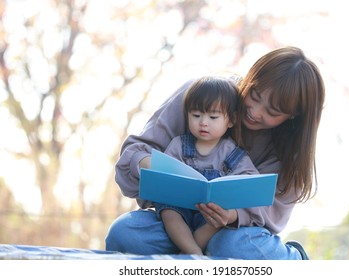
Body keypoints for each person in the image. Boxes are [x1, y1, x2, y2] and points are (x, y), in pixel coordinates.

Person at [106, 46, 325, 259]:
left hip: (229, 233)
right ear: (250, 78)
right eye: (255, 95)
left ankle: (294, 260)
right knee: (125, 233)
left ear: (293, 116)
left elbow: (271, 213)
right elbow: (134, 152)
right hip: (174, 220)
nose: (255, 112)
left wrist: (232, 215)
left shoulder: (290, 150)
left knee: (231, 246)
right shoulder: (201, 96)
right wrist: (157, 168)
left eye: (272, 111)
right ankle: (189, 253)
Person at [154, 76, 259, 255]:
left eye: (213, 117)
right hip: (180, 206)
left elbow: (252, 182)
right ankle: (192, 251)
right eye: (196, 115)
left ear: (231, 120)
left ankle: (191, 251)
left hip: (212, 214)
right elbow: (164, 173)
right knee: (168, 212)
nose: (203, 122)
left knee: (218, 219)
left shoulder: (233, 152)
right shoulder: (179, 145)